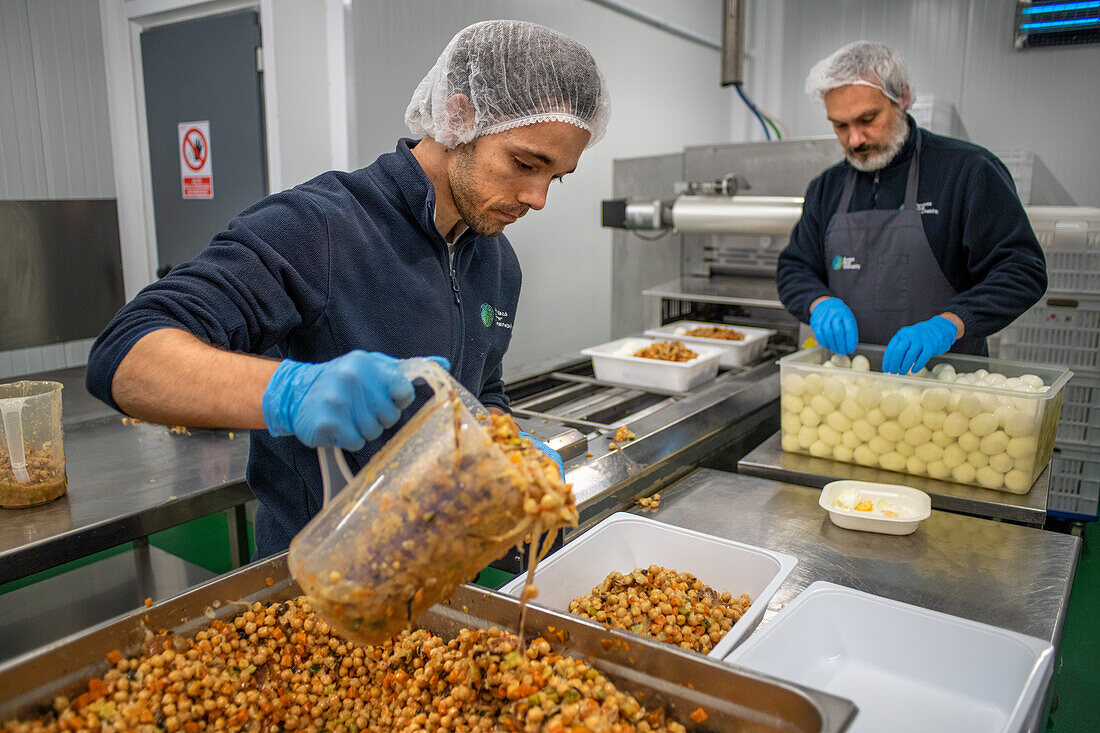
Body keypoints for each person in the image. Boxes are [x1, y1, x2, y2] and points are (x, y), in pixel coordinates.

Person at [85, 20, 611, 557]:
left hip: (440, 578)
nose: (538, 197)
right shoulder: (321, 227)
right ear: (459, 117)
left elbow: (482, 390)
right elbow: (126, 355)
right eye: (525, 163)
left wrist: (505, 443)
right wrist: (288, 392)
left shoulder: (498, 261)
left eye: (557, 176)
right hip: (320, 592)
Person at [776, 41, 1046, 375]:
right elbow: (794, 269)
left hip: (945, 391)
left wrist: (950, 324)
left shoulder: (967, 171)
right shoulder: (826, 188)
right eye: (840, 126)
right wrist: (819, 303)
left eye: (867, 118)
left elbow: (1021, 271)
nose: (855, 140)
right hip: (847, 391)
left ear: (902, 98)